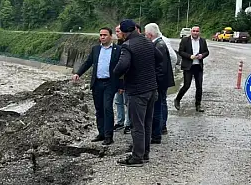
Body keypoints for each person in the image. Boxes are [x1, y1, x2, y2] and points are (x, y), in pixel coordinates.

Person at [113, 19, 163, 167]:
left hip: (137, 90)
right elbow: (160, 58)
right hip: (152, 88)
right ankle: (145, 153)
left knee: (137, 125)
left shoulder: (127, 46)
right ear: (135, 29)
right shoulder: (147, 41)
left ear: (123, 32)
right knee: (147, 123)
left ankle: (136, 157)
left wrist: (115, 73)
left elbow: (122, 66)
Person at [72, 27, 122, 145]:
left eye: (105, 35)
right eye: (100, 35)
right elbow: (88, 63)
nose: (102, 37)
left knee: (107, 108)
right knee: (99, 109)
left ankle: (109, 136)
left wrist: (121, 85)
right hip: (97, 83)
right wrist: (78, 73)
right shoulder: (95, 49)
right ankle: (101, 133)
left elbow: (122, 69)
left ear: (111, 36)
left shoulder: (118, 49)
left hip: (110, 83)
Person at [144, 23, 175, 144]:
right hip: (162, 81)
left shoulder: (159, 45)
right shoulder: (160, 43)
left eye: (146, 34)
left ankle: (157, 132)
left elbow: (160, 68)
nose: (145, 36)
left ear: (150, 35)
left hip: (159, 83)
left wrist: (154, 83)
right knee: (159, 105)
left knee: (157, 107)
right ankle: (158, 130)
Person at [174, 26, 210, 113]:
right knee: (187, 85)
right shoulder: (185, 40)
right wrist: (190, 56)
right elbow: (181, 52)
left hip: (198, 66)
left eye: (197, 31)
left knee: (199, 87)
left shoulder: (202, 41)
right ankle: (177, 99)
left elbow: (207, 52)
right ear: (191, 32)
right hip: (188, 66)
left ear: (199, 32)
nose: (195, 33)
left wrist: (202, 55)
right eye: (193, 31)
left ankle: (198, 105)